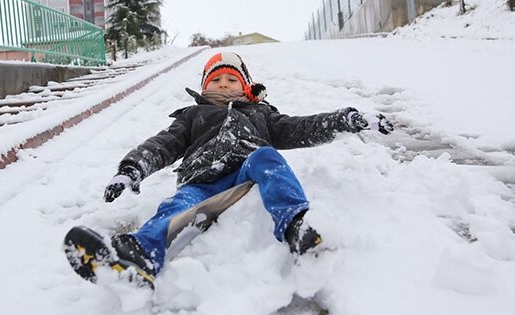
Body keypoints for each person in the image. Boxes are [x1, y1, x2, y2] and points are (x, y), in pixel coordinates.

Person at [64, 52, 393, 288]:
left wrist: (344, 120)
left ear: (246, 87)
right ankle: (141, 253)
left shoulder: (262, 114)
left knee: (267, 157)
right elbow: (162, 144)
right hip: (201, 182)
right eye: (216, 80)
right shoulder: (192, 117)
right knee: (176, 206)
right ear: (206, 86)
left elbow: (301, 128)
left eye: (231, 80)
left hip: (248, 173)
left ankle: (296, 225)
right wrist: (131, 168)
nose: (223, 85)